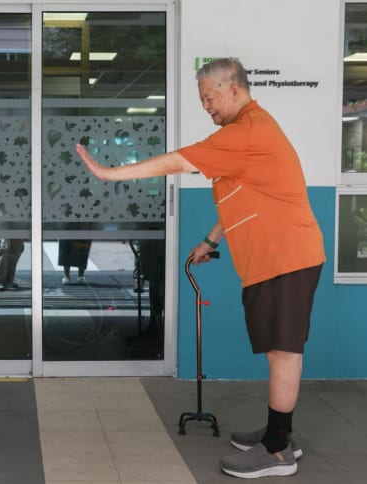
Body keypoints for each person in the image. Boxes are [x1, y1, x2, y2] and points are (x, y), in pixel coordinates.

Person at [76, 57, 325, 479]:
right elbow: (242, 197)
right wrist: (211, 241)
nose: (206, 106)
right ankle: (279, 431)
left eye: (210, 98)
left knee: (283, 352)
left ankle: (279, 449)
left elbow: (177, 161)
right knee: (278, 349)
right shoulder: (246, 130)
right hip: (275, 257)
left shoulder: (247, 131)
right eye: (201, 100)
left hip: (284, 257)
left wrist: (109, 173)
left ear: (234, 89)